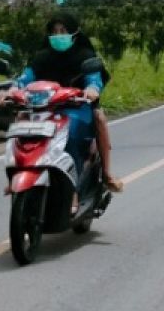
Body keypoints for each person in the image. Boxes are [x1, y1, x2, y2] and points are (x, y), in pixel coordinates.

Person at [24, 11, 124, 193]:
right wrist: (10, 90)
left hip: (77, 106)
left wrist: (92, 89)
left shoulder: (85, 55)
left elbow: (94, 78)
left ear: (74, 33)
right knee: (21, 121)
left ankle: (107, 175)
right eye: (55, 31)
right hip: (44, 108)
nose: (59, 35)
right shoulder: (41, 57)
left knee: (99, 118)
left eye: (63, 31)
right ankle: (20, 172)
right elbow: (25, 79)